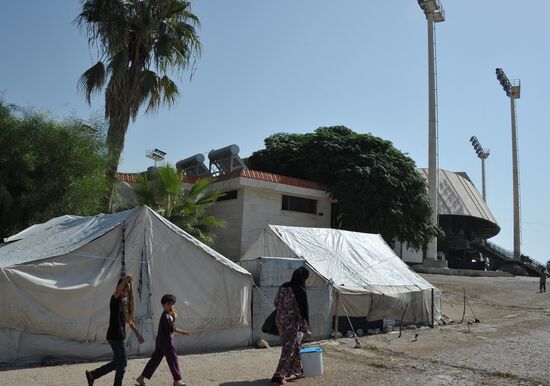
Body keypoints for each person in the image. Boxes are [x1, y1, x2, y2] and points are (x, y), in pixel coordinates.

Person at [85, 274, 144, 386]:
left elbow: (129, 321)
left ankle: (93, 375)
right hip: (115, 336)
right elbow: (118, 290)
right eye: (123, 289)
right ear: (119, 288)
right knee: (122, 362)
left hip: (117, 336)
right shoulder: (115, 299)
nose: (124, 291)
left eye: (126, 290)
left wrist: (138, 334)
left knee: (119, 363)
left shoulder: (122, 304)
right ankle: (95, 375)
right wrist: (125, 280)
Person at [136, 294, 191, 386]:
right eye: (169, 304)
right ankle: (177, 381)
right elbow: (170, 329)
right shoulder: (166, 316)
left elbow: (172, 328)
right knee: (173, 359)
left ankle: (141, 378)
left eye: (172, 304)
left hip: (161, 341)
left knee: (155, 360)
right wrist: (174, 320)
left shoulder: (168, 315)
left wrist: (183, 332)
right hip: (166, 342)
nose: (171, 306)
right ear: (163, 305)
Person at [271, 267, 311, 386]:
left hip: (280, 321)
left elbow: (276, 302)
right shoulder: (300, 290)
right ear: (303, 278)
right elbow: (303, 312)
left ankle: (297, 370)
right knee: (288, 349)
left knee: (297, 345)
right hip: (292, 324)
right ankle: (277, 377)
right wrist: (306, 328)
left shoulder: (283, 286)